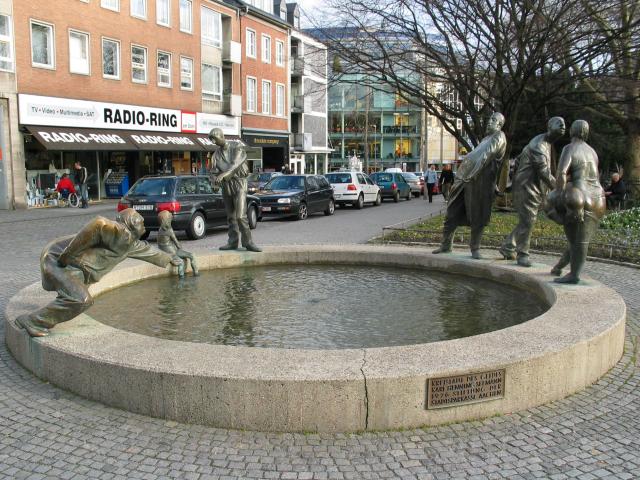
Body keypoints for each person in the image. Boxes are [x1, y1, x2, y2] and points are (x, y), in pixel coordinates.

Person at [14, 209, 183, 337]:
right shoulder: (117, 231)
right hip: (57, 259)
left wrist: (170, 259)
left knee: (75, 296)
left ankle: (50, 313)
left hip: (76, 268)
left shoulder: (131, 244)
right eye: (139, 220)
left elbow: (151, 252)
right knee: (82, 300)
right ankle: (32, 321)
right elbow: (98, 223)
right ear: (128, 223)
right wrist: (67, 256)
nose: (143, 221)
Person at [432, 112, 507, 259]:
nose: (489, 121)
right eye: (490, 118)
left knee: (478, 216)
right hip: (465, 181)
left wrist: (473, 173)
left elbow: (487, 156)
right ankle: (446, 245)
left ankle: (475, 249)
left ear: (499, 124)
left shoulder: (499, 137)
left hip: (479, 183)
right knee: (452, 211)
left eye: (493, 119)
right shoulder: (486, 138)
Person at [499, 117, 565, 267]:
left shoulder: (545, 143)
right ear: (549, 126)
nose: (563, 125)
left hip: (531, 187)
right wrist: (561, 189)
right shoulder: (539, 145)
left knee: (526, 220)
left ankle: (508, 246)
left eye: (564, 124)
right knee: (529, 220)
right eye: (558, 123)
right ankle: (523, 254)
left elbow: (519, 159)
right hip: (526, 187)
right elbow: (544, 173)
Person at [546, 120, 605, 284]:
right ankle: (559, 267)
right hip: (598, 198)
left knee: (577, 241)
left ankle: (574, 275)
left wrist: (558, 194)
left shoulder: (569, 148)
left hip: (580, 196)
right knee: (579, 240)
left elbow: (562, 173)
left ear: (572, 131)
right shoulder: (592, 151)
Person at [209, 128, 262, 252]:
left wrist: (223, 174)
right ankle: (232, 242)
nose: (214, 142)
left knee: (240, 216)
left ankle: (248, 242)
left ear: (221, 136)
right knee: (231, 217)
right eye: (212, 140)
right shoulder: (216, 155)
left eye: (215, 139)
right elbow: (213, 172)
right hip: (226, 186)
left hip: (239, 183)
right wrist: (214, 182)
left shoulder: (237, 146)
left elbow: (235, 164)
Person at [157, 210, 199, 277]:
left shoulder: (160, 230)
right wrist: (181, 249)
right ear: (166, 220)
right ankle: (190, 276)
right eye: (170, 219)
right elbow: (177, 244)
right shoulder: (169, 230)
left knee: (184, 258)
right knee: (186, 259)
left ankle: (182, 279)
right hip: (172, 252)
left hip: (166, 251)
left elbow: (160, 244)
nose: (171, 220)